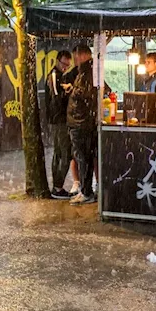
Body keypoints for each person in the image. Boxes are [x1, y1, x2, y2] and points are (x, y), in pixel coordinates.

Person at [66, 45, 99, 205]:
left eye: (76, 56)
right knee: (83, 157)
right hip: (80, 121)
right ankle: (86, 190)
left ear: (83, 55)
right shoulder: (85, 72)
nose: (74, 60)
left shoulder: (88, 73)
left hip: (82, 122)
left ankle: (87, 191)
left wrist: (74, 90)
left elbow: (87, 94)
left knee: (84, 157)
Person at [44, 50, 74, 198]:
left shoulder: (59, 76)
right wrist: (68, 91)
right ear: (57, 61)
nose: (65, 67)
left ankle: (57, 186)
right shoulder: (54, 76)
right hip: (59, 120)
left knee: (59, 153)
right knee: (64, 153)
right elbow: (56, 99)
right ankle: (57, 186)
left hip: (59, 120)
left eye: (68, 65)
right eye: (63, 64)